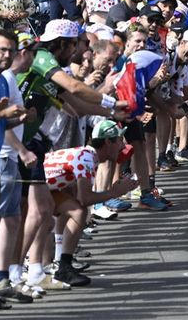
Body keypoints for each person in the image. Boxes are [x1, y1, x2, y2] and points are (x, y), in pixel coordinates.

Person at [42, 119, 137, 286]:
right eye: (120, 140)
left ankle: (60, 262)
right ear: (108, 142)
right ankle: (59, 264)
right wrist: (115, 192)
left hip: (45, 188)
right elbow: (85, 199)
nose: (123, 146)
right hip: (31, 189)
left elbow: (73, 193)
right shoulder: (87, 156)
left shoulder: (88, 156)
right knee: (79, 211)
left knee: (72, 206)